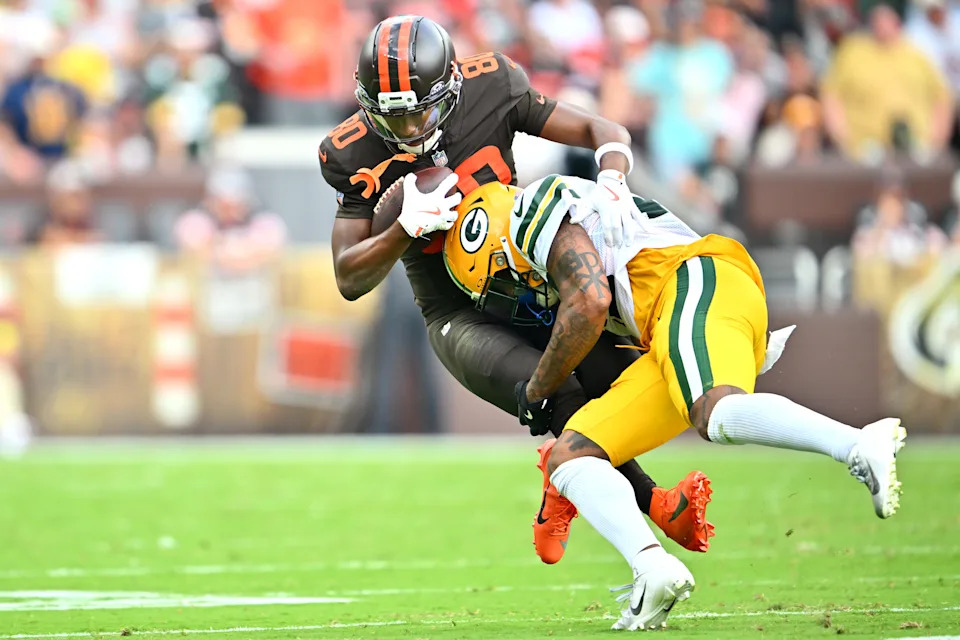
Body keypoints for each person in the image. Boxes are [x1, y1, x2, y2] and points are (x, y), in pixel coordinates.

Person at [318, 15, 713, 565]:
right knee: (554, 396)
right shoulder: (351, 151)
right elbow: (347, 277)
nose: (408, 130)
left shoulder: (492, 85)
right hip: (456, 309)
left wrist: (614, 181)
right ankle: (653, 509)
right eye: (394, 117)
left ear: (451, 89)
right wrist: (403, 228)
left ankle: (572, 481)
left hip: (528, 282)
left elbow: (604, 131)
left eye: (419, 112)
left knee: (620, 380)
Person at [443, 176, 907, 630]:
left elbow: (589, 301)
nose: (516, 297)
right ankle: (651, 569)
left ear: (501, 244)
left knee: (716, 414)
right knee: (571, 457)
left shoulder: (529, 213)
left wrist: (536, 389)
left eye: (502, 280)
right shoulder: (564, 247)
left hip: (695, 282)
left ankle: (857, 443)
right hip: (670, 322)